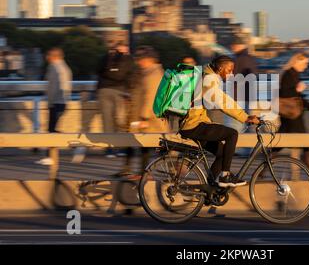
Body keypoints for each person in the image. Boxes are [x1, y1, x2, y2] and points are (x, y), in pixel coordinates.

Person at [179, 55, 259, 188]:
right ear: (220, 68)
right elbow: (221, 101)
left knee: (222, 153)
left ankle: (210, 188)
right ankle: (225, 175)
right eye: (229, 70)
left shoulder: (207, 76)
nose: (231, 73)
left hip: (195, 123)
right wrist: (245, 117)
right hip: (194, 125)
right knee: (232, 134)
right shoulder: (209, 79)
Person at [272, 53, 309, 179]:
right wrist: (298, 89)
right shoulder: (288, 74)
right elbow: (285, 93)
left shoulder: (293, 74)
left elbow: (297, 98)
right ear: (296, 62)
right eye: (304, 63)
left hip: (292, 115)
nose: (306, 66)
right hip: (292, 116)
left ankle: (262, 171)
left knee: (281, 144)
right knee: (304, 144)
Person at [125, 46, 169, 175]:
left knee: (147, 145)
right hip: (152, 117)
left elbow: (150, 97)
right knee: (146, 145)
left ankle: (145, 174)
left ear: (149, 60)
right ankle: (143, 173)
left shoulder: (153, 75)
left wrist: (144, 118)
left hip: (151, 118)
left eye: (141, 59)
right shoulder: (152, 72)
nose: (139, 62)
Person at [97, 43, 134, 158]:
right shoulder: (127, 58)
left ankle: (109, 149)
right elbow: (130, 74)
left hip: (104, 90)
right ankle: (121, 147)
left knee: (107, 120)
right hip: (120, 91)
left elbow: (97, 70)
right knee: (121, 120)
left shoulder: (105, 57)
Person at [36, 47, 72, 165]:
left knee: (52, 130)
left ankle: (51, 157)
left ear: (54, 56)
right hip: (61, 102)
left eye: (48, 55)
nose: (46, 58)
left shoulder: (55, 68)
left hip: (56, 102)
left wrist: (50, 102)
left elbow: (54, 88)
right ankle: (52, 155)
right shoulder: (63, 67)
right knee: (54, 130)